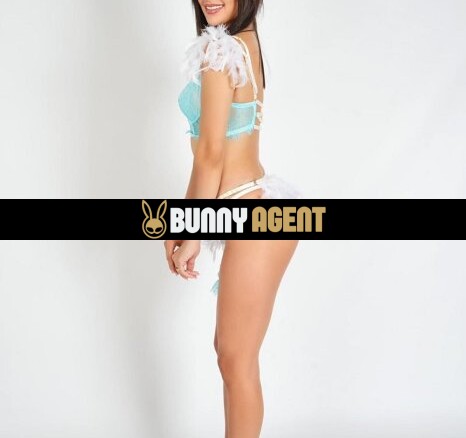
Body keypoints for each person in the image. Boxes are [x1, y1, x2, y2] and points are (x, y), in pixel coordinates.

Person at [164, 1, 302, 437]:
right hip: (257, 206)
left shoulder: (219, 50)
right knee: (231, 355)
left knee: (236, 360)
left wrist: (191, 233)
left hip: (253, 212)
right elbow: (210, 157)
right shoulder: (245, 43)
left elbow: (210, 155)